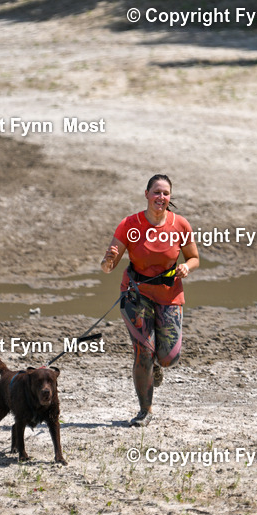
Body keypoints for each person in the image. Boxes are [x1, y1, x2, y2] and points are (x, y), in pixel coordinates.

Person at [101, 174, 199, 427]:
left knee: (169, 357)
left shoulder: (180, 224)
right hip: (136, 294)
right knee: (143, 351)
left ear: (170, 197)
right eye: (156, 192)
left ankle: (157, 365)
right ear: (146, 194)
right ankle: (145, 410)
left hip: (169, 294)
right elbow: (107, 267)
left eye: (166, 193)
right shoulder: (130, 225)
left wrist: (187, 267)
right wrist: (108, 259)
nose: (161, 197)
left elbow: (194, 258)